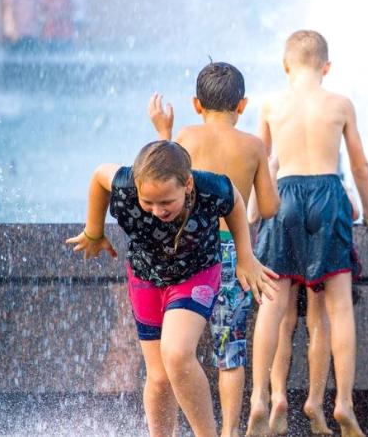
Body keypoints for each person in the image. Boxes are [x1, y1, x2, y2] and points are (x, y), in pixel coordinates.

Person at [66, 140, 278, 437]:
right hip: (146, 276)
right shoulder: (127, 183)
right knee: (159, 377)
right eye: (148, 202)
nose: (156, 210)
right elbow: (100, 175)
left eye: (166, 202)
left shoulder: (209, 188)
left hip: (196, 273)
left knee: (176, 353)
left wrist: (245, 256)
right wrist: (94, 230)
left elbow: (235, 200)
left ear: (187, 184)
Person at [246, 30, 368, 437]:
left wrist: (255, 212)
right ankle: (343, 403)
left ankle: (259, 396)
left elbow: (261, 163)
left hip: (284, 194)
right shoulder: (340, 103)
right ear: (326, 68)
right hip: (328, 193)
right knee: (338, 310)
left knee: (272, 307)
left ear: (285, 66)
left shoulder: (272, 104)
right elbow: (360, 166)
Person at [147, 61, 281, 437]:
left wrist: (163, 131)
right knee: (230, 352)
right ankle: (229, 433)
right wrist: (271, 168)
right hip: (234, 259)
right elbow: (268, 209)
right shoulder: (253, 146)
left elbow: (161, 176)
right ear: (243, 105)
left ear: (196, 103)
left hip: (187, 257)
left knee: (177, 352)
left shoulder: (187, 137)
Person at [266, 177, 360, 436]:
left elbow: (257, 210)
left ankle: (277, 398)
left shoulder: (280, 174)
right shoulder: (331, 179)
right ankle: (315, 403)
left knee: (283, 320)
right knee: (320, 320)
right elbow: (354, 211)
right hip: (321, 229)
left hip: (285, 218)